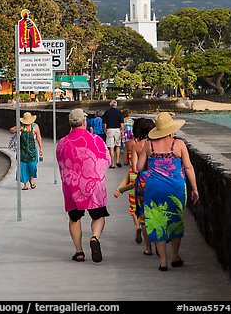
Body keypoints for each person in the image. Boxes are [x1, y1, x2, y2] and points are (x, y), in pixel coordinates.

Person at [136, 112, 199, 271]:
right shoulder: (178, 144)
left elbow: (139, 168)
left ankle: (163, 261)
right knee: (175, 220)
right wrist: (195, 189)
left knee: (157, 221)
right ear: (171, 129)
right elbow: (189, 167)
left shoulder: (148, 145)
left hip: (154, 187)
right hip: (175, 188)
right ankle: (175, 256)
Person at [56, 108, 111, 263]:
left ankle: (79, 251)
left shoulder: (62, 143)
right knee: (99, 215)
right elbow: (106, 160)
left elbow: (61, 163)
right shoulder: (96, 140)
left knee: (74, 218)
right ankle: (94, 238)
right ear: (84, 122)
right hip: (94, 185)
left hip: (72, 186)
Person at [114, 118, 155, 254]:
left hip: (137, 183)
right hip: (152, 182)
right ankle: (158, 242)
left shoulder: (135, 145)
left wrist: (120, 188)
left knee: (139, 213)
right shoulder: (154, 145)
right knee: (154, 213)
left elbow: (135, 168)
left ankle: (147, 246)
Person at [9, 112, 43, 190]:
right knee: (23, 167)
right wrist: (17, 129)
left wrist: (41, 148)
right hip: (22, 151)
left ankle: (31, 179)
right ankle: (25, 184)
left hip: (32, 151)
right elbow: (10, 130)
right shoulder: (21, 126)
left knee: (32, 166)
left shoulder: (35, 126)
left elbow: (39, 137)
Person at [102, 100, 124, 168]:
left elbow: (104, 124)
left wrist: (105, 130)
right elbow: (122, 124)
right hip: (117, 130)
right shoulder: (119, 113)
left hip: (110, 130)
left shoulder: (107, 112)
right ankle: (118, 161)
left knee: (111, 147)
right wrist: (122, 131)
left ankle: (112, 163)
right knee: (118, 146)